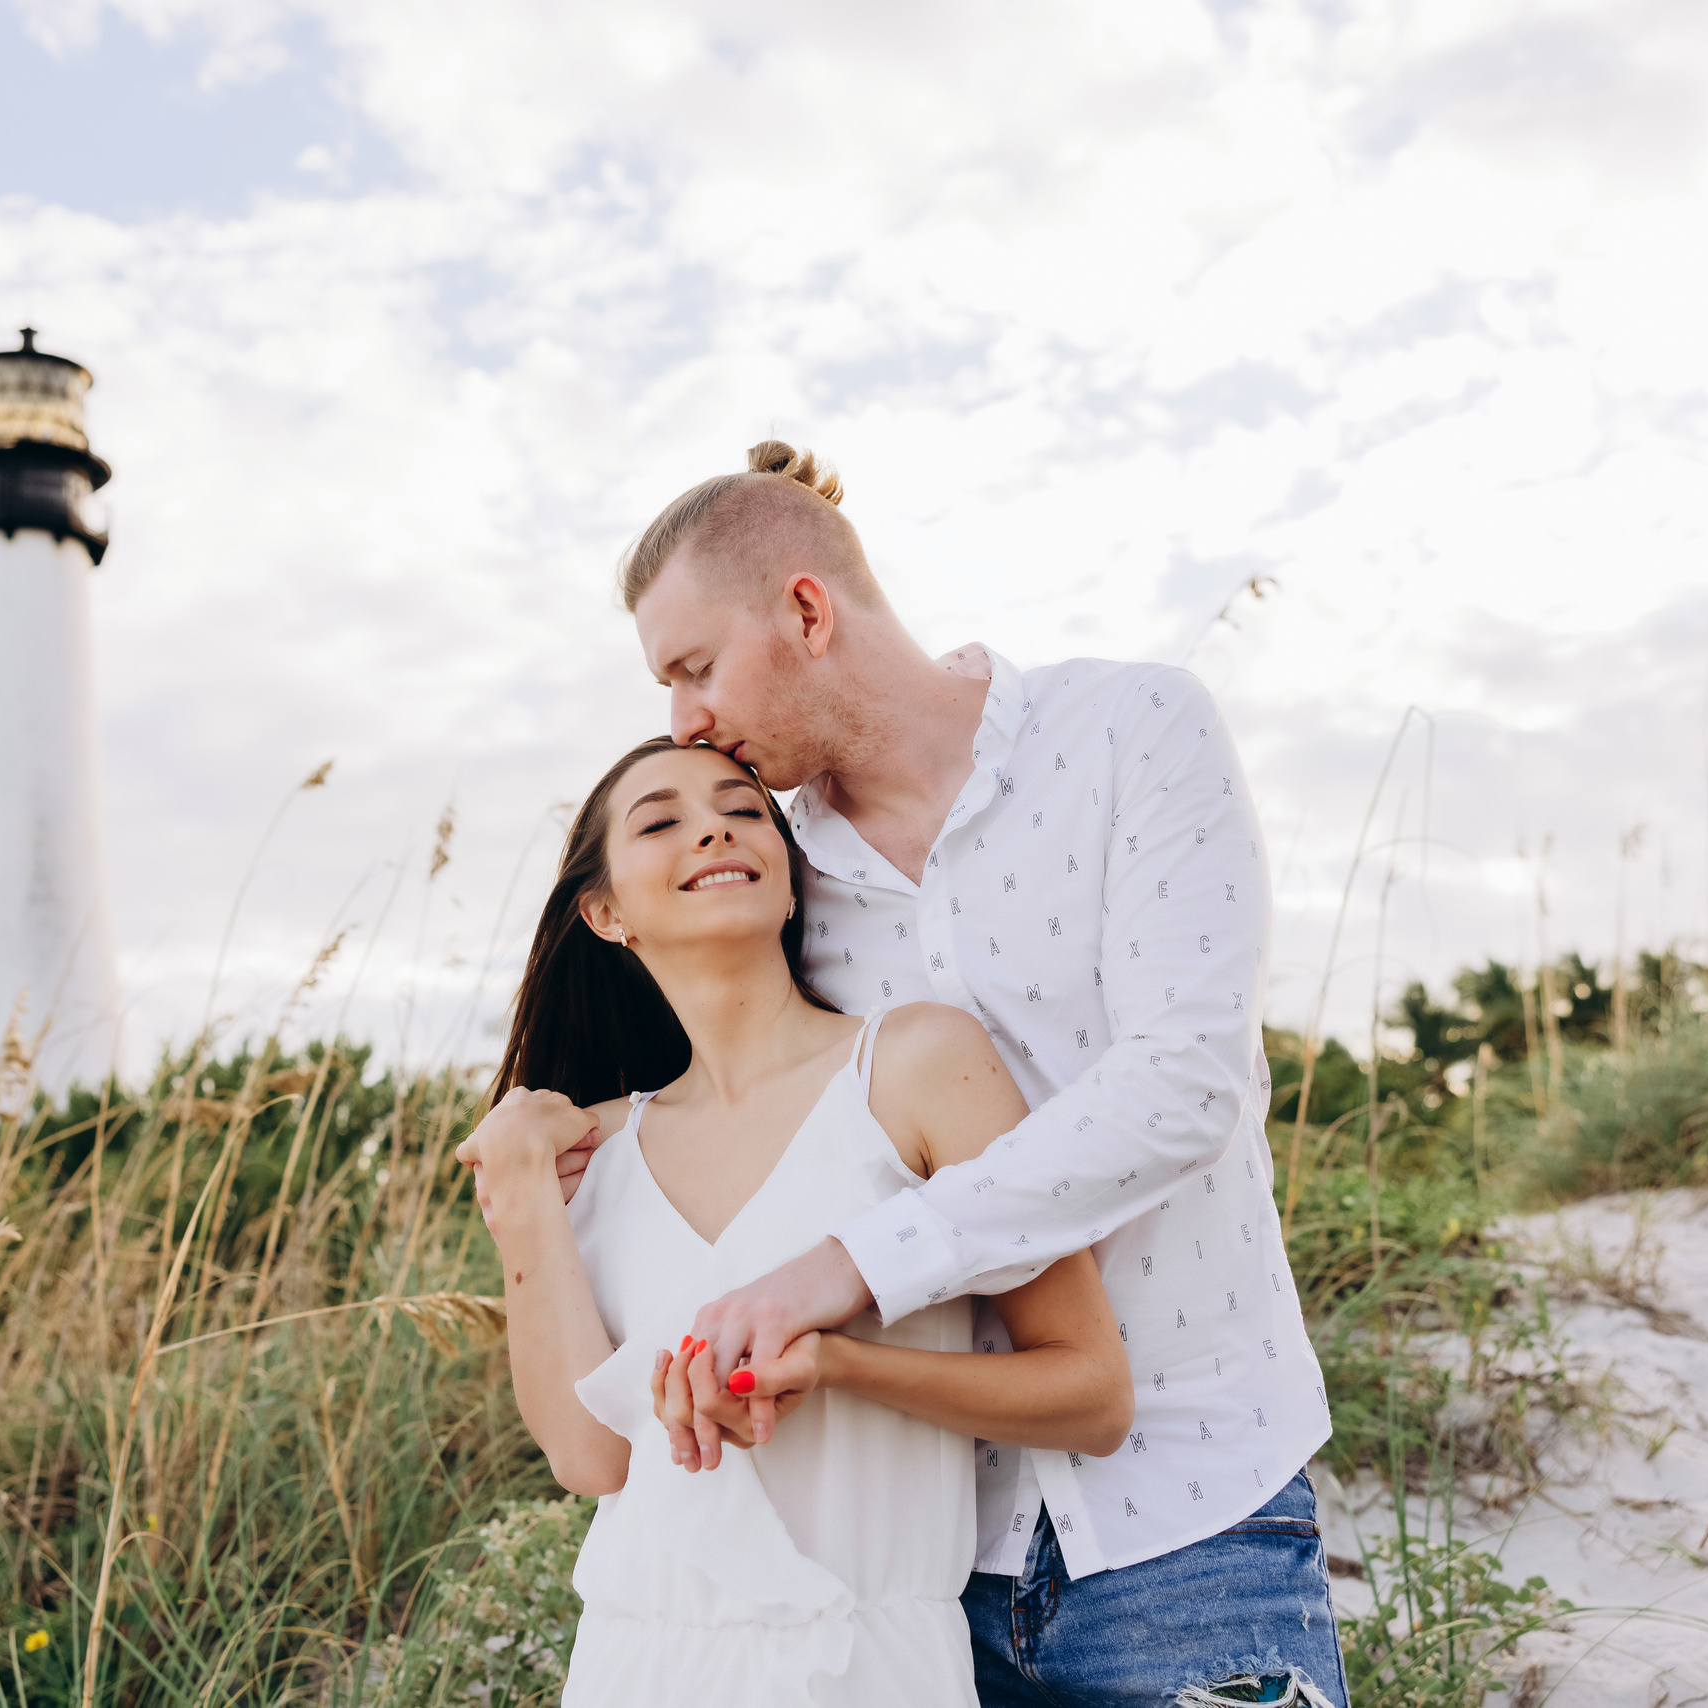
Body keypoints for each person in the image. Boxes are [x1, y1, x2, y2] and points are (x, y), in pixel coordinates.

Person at [582, 442, 1349, 1707]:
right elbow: (753, 1078)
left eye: (694, 667)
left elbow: (1184, 1082)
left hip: (1194, 1507)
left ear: (807, 611)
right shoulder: (780, 878)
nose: (683, 721)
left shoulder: (1130, 728)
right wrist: (578, 1126)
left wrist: (849, 1266)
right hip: (923, 1571)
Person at [456, 734, 1133, 1706]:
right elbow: (591, 1454)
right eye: (661, 820)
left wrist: (842, 1362)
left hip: (871, 1661)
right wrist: (520, 1193)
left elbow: (1092, 1395)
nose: (713, 828)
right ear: (603, 913)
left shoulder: (912, 1067)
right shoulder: (585, 1150)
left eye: (741, 809)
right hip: (636, 1662)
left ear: (786, 883)